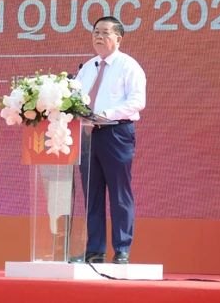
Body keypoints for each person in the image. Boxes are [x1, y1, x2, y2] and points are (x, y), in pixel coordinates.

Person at [71, 16, 146, 264]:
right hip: (88, 134)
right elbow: (75, 99)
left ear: (118, 38)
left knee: (119, 193)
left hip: (116, 133)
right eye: (95, 32)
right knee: (92, 194)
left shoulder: (128, 66)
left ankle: (122, 249)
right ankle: (95, 250)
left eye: (104, 32)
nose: (98, 36)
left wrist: (106, 113)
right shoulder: (87, 67)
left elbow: (137, 102)